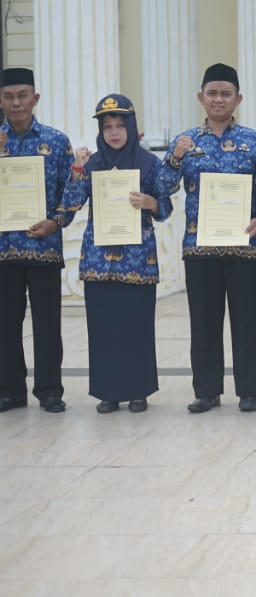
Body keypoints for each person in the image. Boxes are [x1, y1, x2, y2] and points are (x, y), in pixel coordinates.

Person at [158, 63, 256, 413]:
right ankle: (206, 391)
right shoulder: (187, 141)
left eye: (226, 93)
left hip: (244, 248)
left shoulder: (255, 141)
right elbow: (162, 188)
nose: (219, 99)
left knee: (245, 322)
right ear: (201, 97)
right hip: (200, 247)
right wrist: (176, 157)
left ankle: (248, 391)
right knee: (204, 324)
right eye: (212, 93)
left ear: (238, 99)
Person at [56, 95, 173, 413]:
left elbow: (166, 206)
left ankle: (138, 391)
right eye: (108, 126)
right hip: (99, 260)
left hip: (138, 260)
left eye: (121, 125)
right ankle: (108, 391)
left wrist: (151, 203)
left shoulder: (149, 163)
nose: (115, 132)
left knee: (136, 326)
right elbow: (72, 203)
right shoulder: (93, 163)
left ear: (132, 127)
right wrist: (77, 169)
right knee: (103, 327)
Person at [0, 67, 73, 413]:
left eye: (23, 95)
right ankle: (10, 390)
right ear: (1, 100)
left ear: (35, 98)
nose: (17, 103)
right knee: (5, 325)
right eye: (9, 96)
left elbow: (69, 192)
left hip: (43, 248)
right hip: (3, 251)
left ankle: (49, 390)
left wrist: (56, 222)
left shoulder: (56, 142)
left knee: (47, 324)